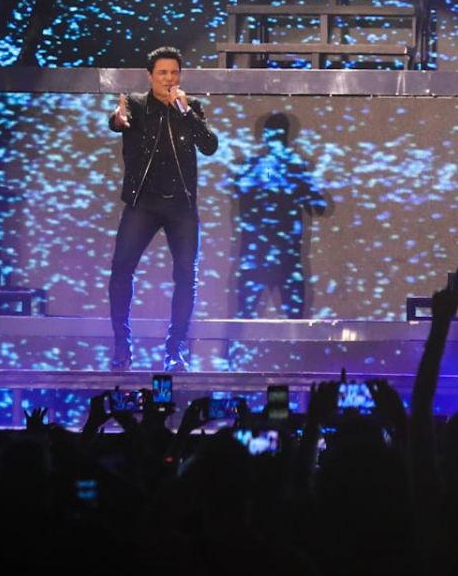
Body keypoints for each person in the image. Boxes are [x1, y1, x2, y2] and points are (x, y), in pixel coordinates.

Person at [107, 46, 219, 371]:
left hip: (181, 206)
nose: (168, 79)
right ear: (150, 76)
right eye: (162, 73)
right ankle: (121, 346)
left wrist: (184, 110)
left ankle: (175, 349)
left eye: (174, 73)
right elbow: (117, 121)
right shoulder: (136, 105)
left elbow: (210, 146)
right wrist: (117, 119)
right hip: (143, 203)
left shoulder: (189, 107)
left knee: (186, 275)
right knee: (121, 270)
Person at [234, 110, 329, 318]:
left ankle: (232, 351)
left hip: (262, 256)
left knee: (242, 325)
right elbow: (319, 205)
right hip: (278, 257)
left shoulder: (253, 168)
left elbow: (319, 206)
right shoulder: (287, 169)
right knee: (286, 325)